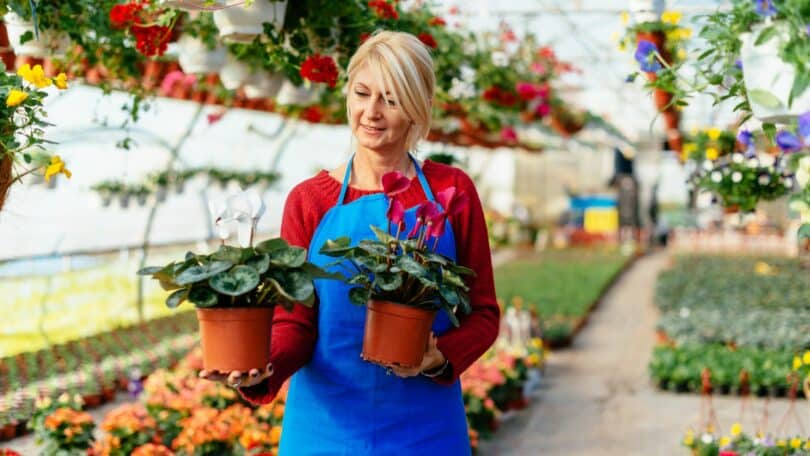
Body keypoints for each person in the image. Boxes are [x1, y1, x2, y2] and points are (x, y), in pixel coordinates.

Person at [200, 30, 500, 454]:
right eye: (363, 93)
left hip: (426, 426)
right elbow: (296, 322)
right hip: (325, 430)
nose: (371, 112)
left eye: (391, 100)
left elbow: (484, 313)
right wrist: (263, 368)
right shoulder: (309, 200)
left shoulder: (452, 192)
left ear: (416, 108)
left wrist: (439, 356)